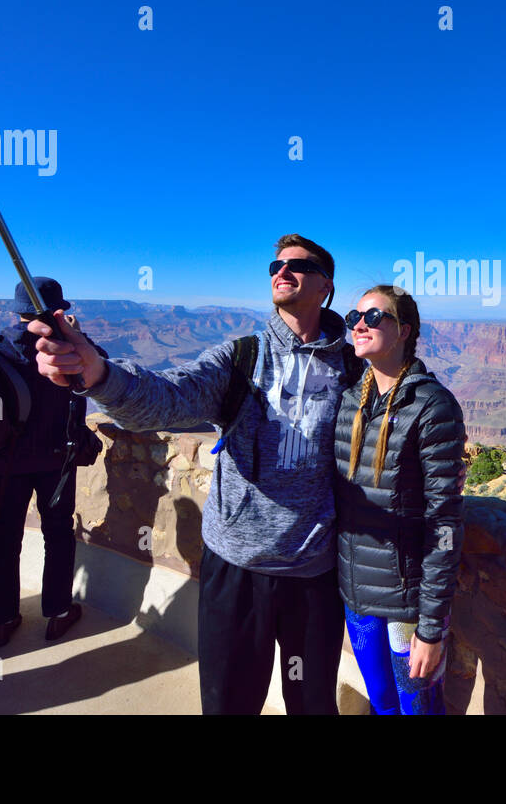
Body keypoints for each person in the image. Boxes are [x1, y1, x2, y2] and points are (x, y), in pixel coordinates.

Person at [29, 234, 354, 714]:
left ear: (325, 285)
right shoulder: (242, 357)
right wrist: (99, 373)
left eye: (298, 265)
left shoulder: (352, 368)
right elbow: (169, 397)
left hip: (314, 574)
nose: (281, 272)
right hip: (235, 567)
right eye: (274, 265)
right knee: (228, 703)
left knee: (312, 704)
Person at [334, 286, 466, 715]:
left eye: (374, 317)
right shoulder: (353, 399)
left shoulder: (432, 406)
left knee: (419, 710)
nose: (359, 324)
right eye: (356, 315)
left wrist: (431, 628)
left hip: (406, 609)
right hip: (358, 601)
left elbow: (444, 522)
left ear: (404, 330)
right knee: (384, 705)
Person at [0, 278, 108, 648]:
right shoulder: (68, 348)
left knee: (4, 535)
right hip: (56, 459)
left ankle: (2, 619)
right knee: (57, 534)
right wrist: (78, 336)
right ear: (58, 310)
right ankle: (57, 613)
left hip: (5, 461)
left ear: (17, 310)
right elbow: (103, 374)